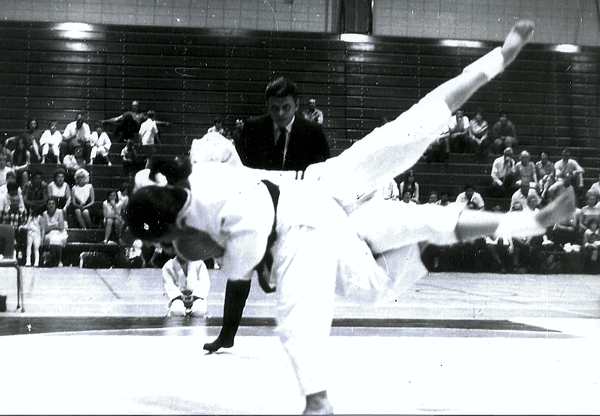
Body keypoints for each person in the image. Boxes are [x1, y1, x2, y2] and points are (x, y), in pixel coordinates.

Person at [125, 22, 574, 415]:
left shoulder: (214, 183)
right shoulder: (215, 168)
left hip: (317, 189)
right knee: (383, 259)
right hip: (303, 211)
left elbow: (240, 249)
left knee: (414, 128)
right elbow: (229, 240)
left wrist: (245, 259)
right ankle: (522, 223)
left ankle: (499, 57)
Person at [236, 76, 330, 171]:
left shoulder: (314, 133)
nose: (280, 113)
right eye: (275, 108)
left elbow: (323, 174)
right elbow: (242, 171)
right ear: (267, 106)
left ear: (296, 105)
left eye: (286, 107)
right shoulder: (252, 129)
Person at [161, 244, 211, 317]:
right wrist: (180, 296)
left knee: (199, 311)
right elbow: (168, 284)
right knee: (177, 311)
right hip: (177, 298)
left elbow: (204, 282)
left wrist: (194, 296)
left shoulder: (199, 263)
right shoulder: (168, 266)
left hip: (197, 297)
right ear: (175, 250)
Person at [40, 197, 68, 267]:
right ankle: (55, 259)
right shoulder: (44, 214)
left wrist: (51, 227)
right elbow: (45, 229)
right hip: (49, 233)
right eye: (49, 204)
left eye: (53, 204)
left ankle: (60, 260)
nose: (51, 206)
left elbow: (61, 227)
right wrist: (55, 226)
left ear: (55, 205)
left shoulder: (59, 212)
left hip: (60, 232)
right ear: (47, 205)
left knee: (57, 239)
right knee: (52, 239)